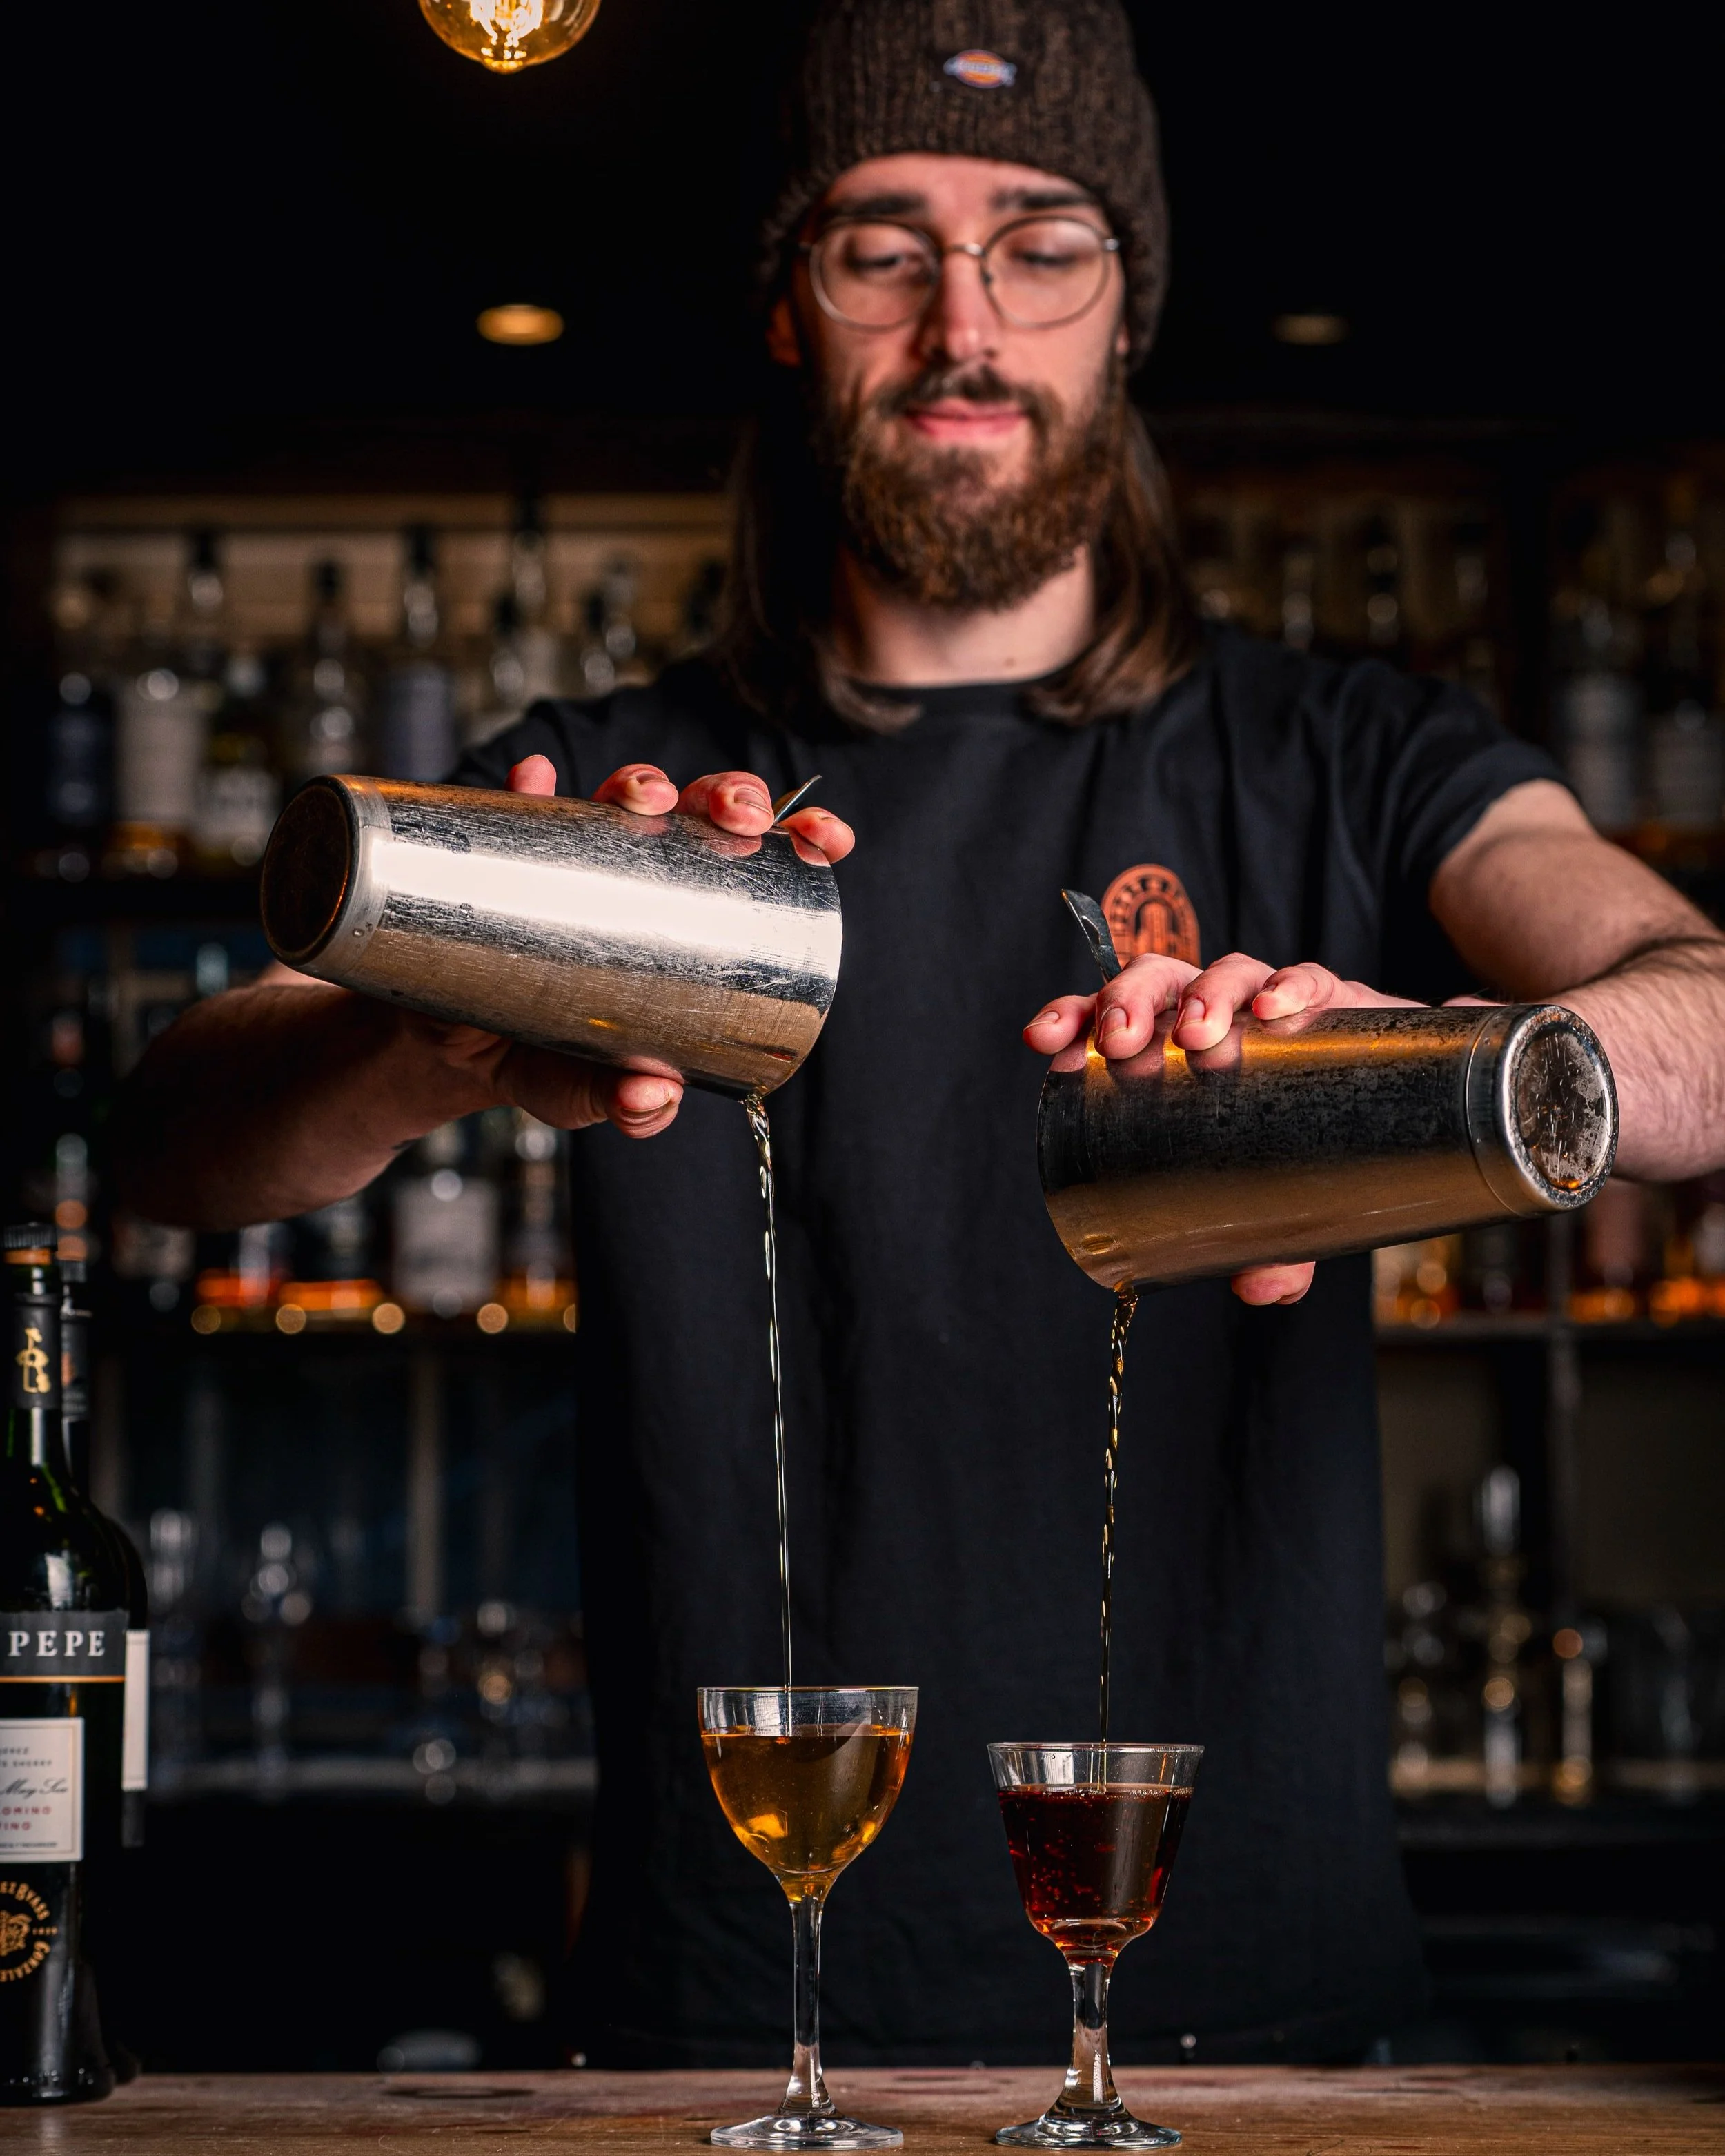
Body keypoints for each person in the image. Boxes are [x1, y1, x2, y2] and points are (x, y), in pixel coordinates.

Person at [116, 0, 1725, 2068]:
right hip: (734, 2023)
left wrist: (1443, 1064)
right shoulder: (612, 799)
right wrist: (437, 1032)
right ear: (791, 309)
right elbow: (174, 1143)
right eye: (883, 247)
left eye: (1040, 243)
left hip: (1260, 2028)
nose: (965, 324)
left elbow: (1698, 1005)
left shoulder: (1357, 755)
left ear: (1125, 304)